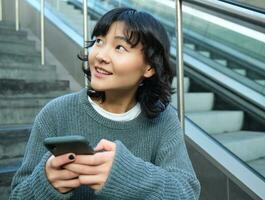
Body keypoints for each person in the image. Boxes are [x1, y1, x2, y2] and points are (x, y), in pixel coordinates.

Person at [10, 7, 200, 200]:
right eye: (99, 41)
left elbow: (186, 192)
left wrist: (127, 175)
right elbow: (17, 195)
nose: (100, 56)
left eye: (119, 47)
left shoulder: (164, 120)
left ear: (149, 66)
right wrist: (46, 183)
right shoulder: (56, 113)